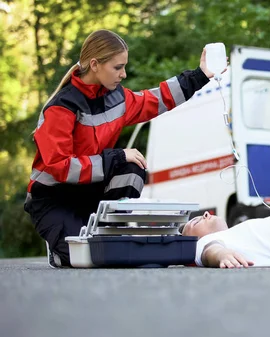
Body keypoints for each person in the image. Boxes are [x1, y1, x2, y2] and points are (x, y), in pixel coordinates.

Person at [24, 29, 225, 267]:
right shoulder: (61, 107)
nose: (124, 74)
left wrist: (201, 75)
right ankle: (61, 247)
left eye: (124, 66)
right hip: (54, 198)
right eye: (117, 67)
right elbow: (61, 167)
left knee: (132, 165)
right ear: (95, 64)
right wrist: (116, 156)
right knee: (84, 258)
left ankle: (109, 231)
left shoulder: (116, 97)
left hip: (89, 192)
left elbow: (157, 99)